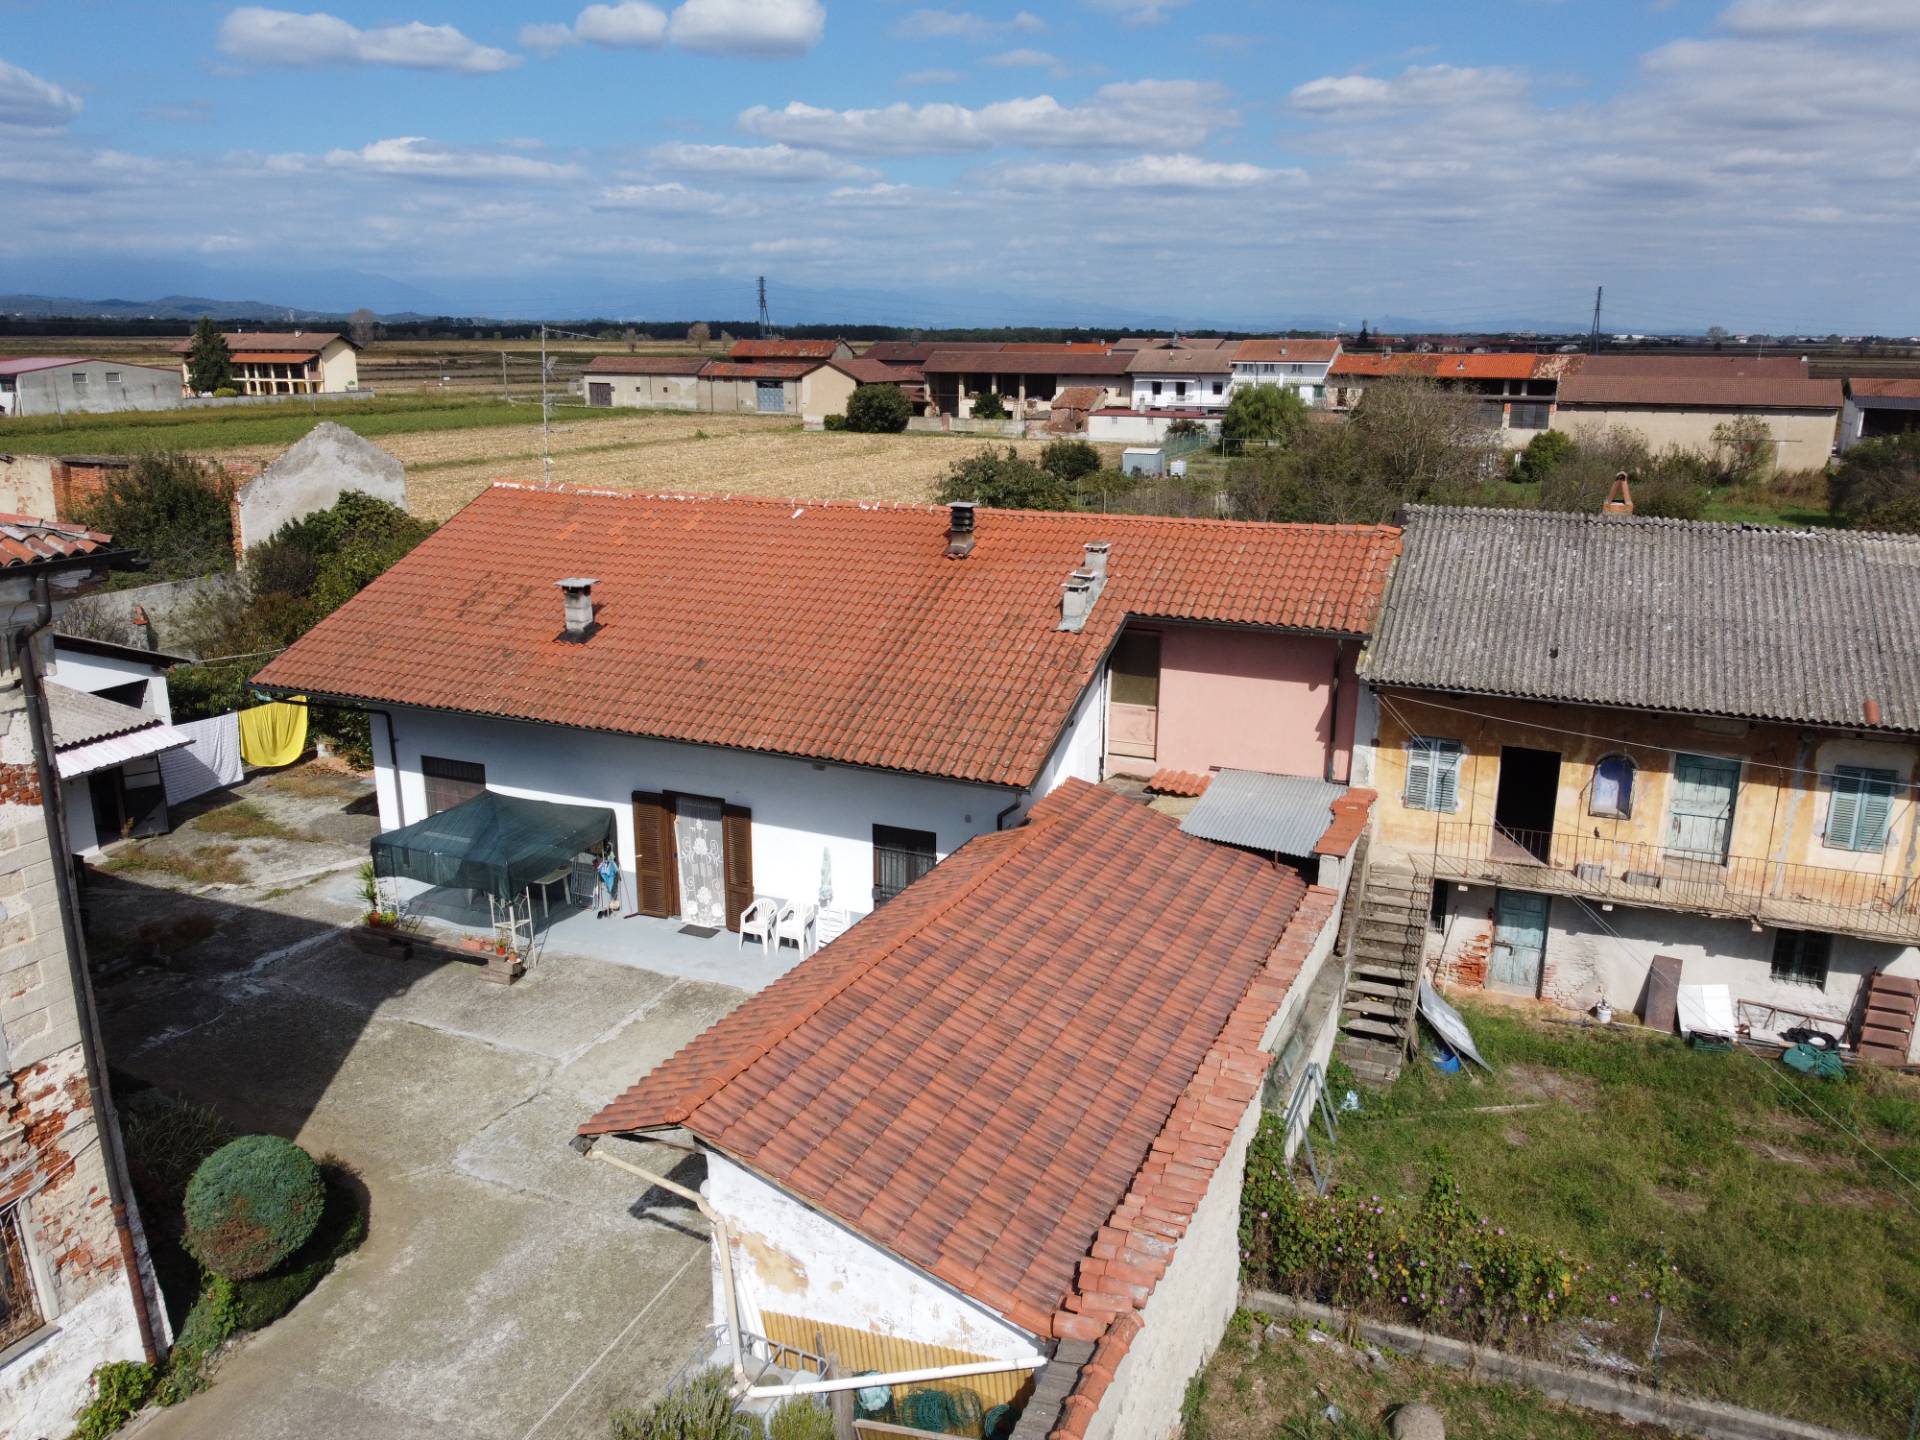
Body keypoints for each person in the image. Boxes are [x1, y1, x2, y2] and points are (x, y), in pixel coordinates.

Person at [594, 848, 621, 919]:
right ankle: (611, 908)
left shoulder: (610, 861)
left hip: (611, 876)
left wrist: (618, 873)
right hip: (608, 877)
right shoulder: (603, 864)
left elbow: (614, 866)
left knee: (613, 892)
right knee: (611, 892)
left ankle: (613, 907)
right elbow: (599, 869)